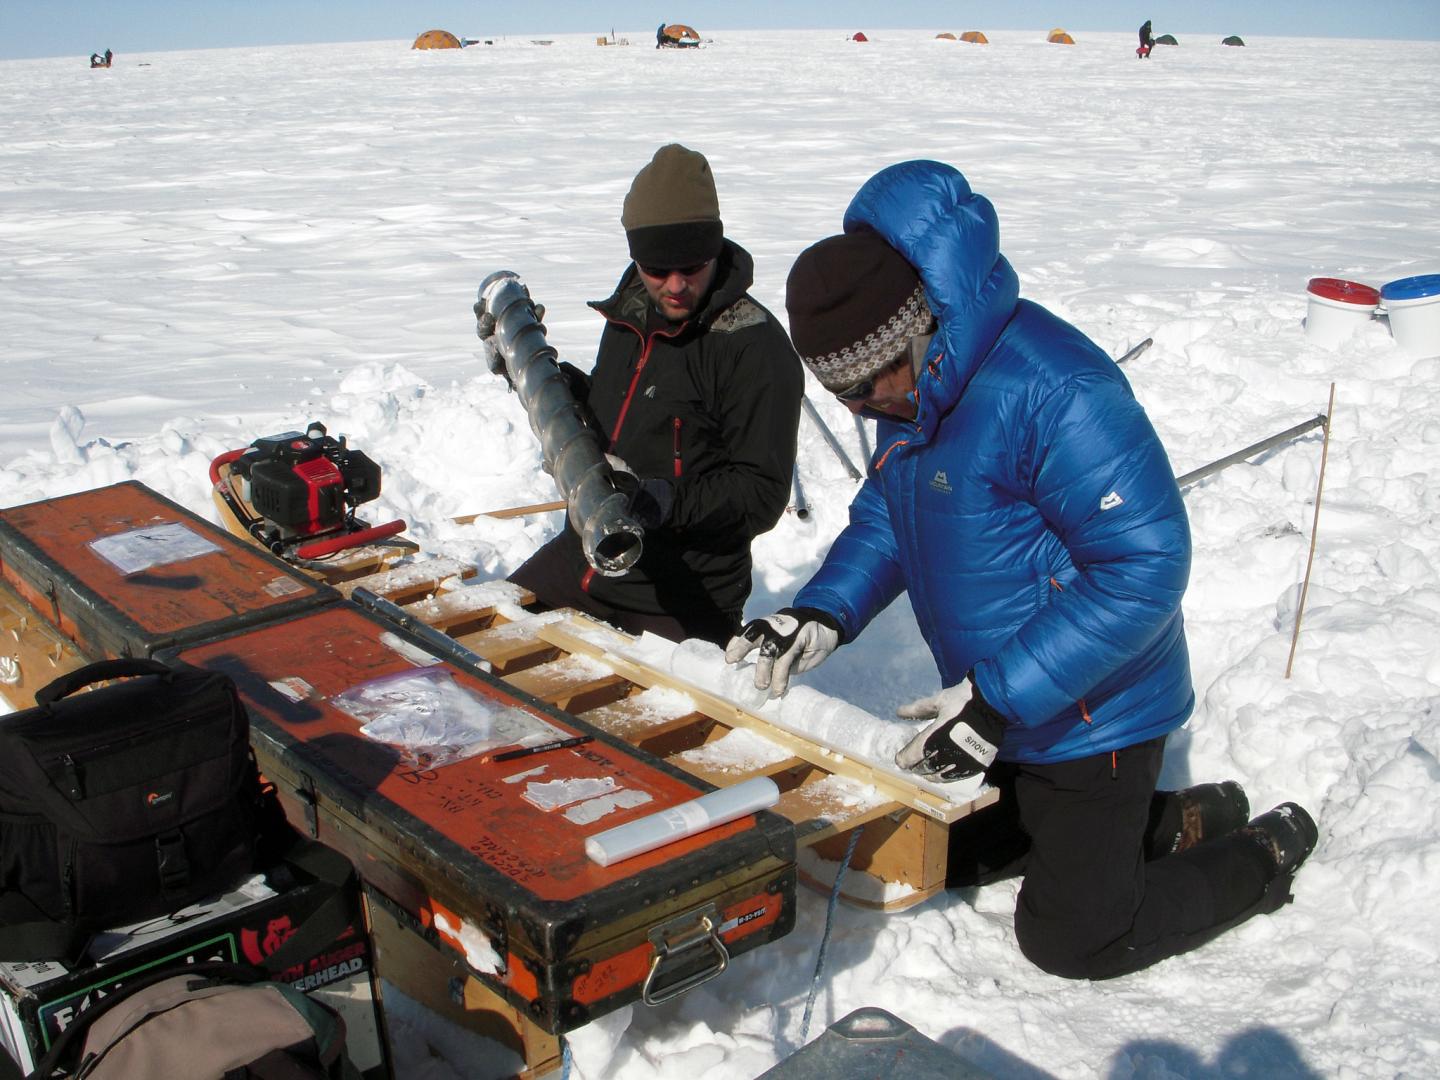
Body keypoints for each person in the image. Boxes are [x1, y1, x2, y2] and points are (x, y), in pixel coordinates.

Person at [724, 159, 1318, 980]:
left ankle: (1260, 854)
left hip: (1093, 714)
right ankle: (1183, 818)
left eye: (867, 385)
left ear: (921, 328)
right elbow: (894, 511)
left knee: (1073, 939)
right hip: (996, 703)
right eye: (842, 397)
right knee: (942, 857)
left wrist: (1000, 697)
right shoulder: (911, 393)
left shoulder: (1053, 389)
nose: (861, 410)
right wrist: (824, 610)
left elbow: (1145, 564)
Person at [507, 144, 804, 646]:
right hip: (584, 557)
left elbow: (762, 494)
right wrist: (545, 381)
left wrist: (661, 501)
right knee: (475, 654)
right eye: (655, 268)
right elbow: (613, 414)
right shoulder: (631, 312)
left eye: (691, 267)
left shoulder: (753, 349)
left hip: (681, 593)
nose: (674, 286)